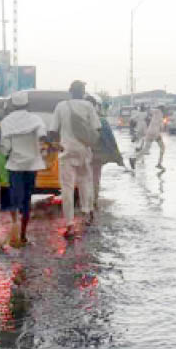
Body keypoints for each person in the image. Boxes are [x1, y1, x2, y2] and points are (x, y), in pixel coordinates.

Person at [48, 80, 101, 239]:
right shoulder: (88, 106)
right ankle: (86, 213)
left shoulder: (61, 106)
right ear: (83, 92)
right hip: (84, 150)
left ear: (70, 91)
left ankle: (70, 224)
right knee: (85, 182)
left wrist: (56, 144)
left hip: (66, 150)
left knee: (67, 188)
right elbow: (97, 129)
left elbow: (52, 131)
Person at [0, 90, 47, 246]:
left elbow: (5, 147)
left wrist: (6, 154)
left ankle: (14, 229)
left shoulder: (6, 122)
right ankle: (23, 234)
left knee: (15, 199)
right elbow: (42, 136)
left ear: (12, 105)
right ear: (28, 104)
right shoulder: (36, 119)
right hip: (32, 165)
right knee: (27, 199)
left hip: (15, 165)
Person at [86, 96, 124, 205]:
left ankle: (86, 202)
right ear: (95, 107)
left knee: (84, 178)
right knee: (95, 178)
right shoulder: (101, 120)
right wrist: (117, 157)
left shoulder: (79, 119)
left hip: (81, 153)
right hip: (97, 155)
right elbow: (110, 140)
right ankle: (93, 202)